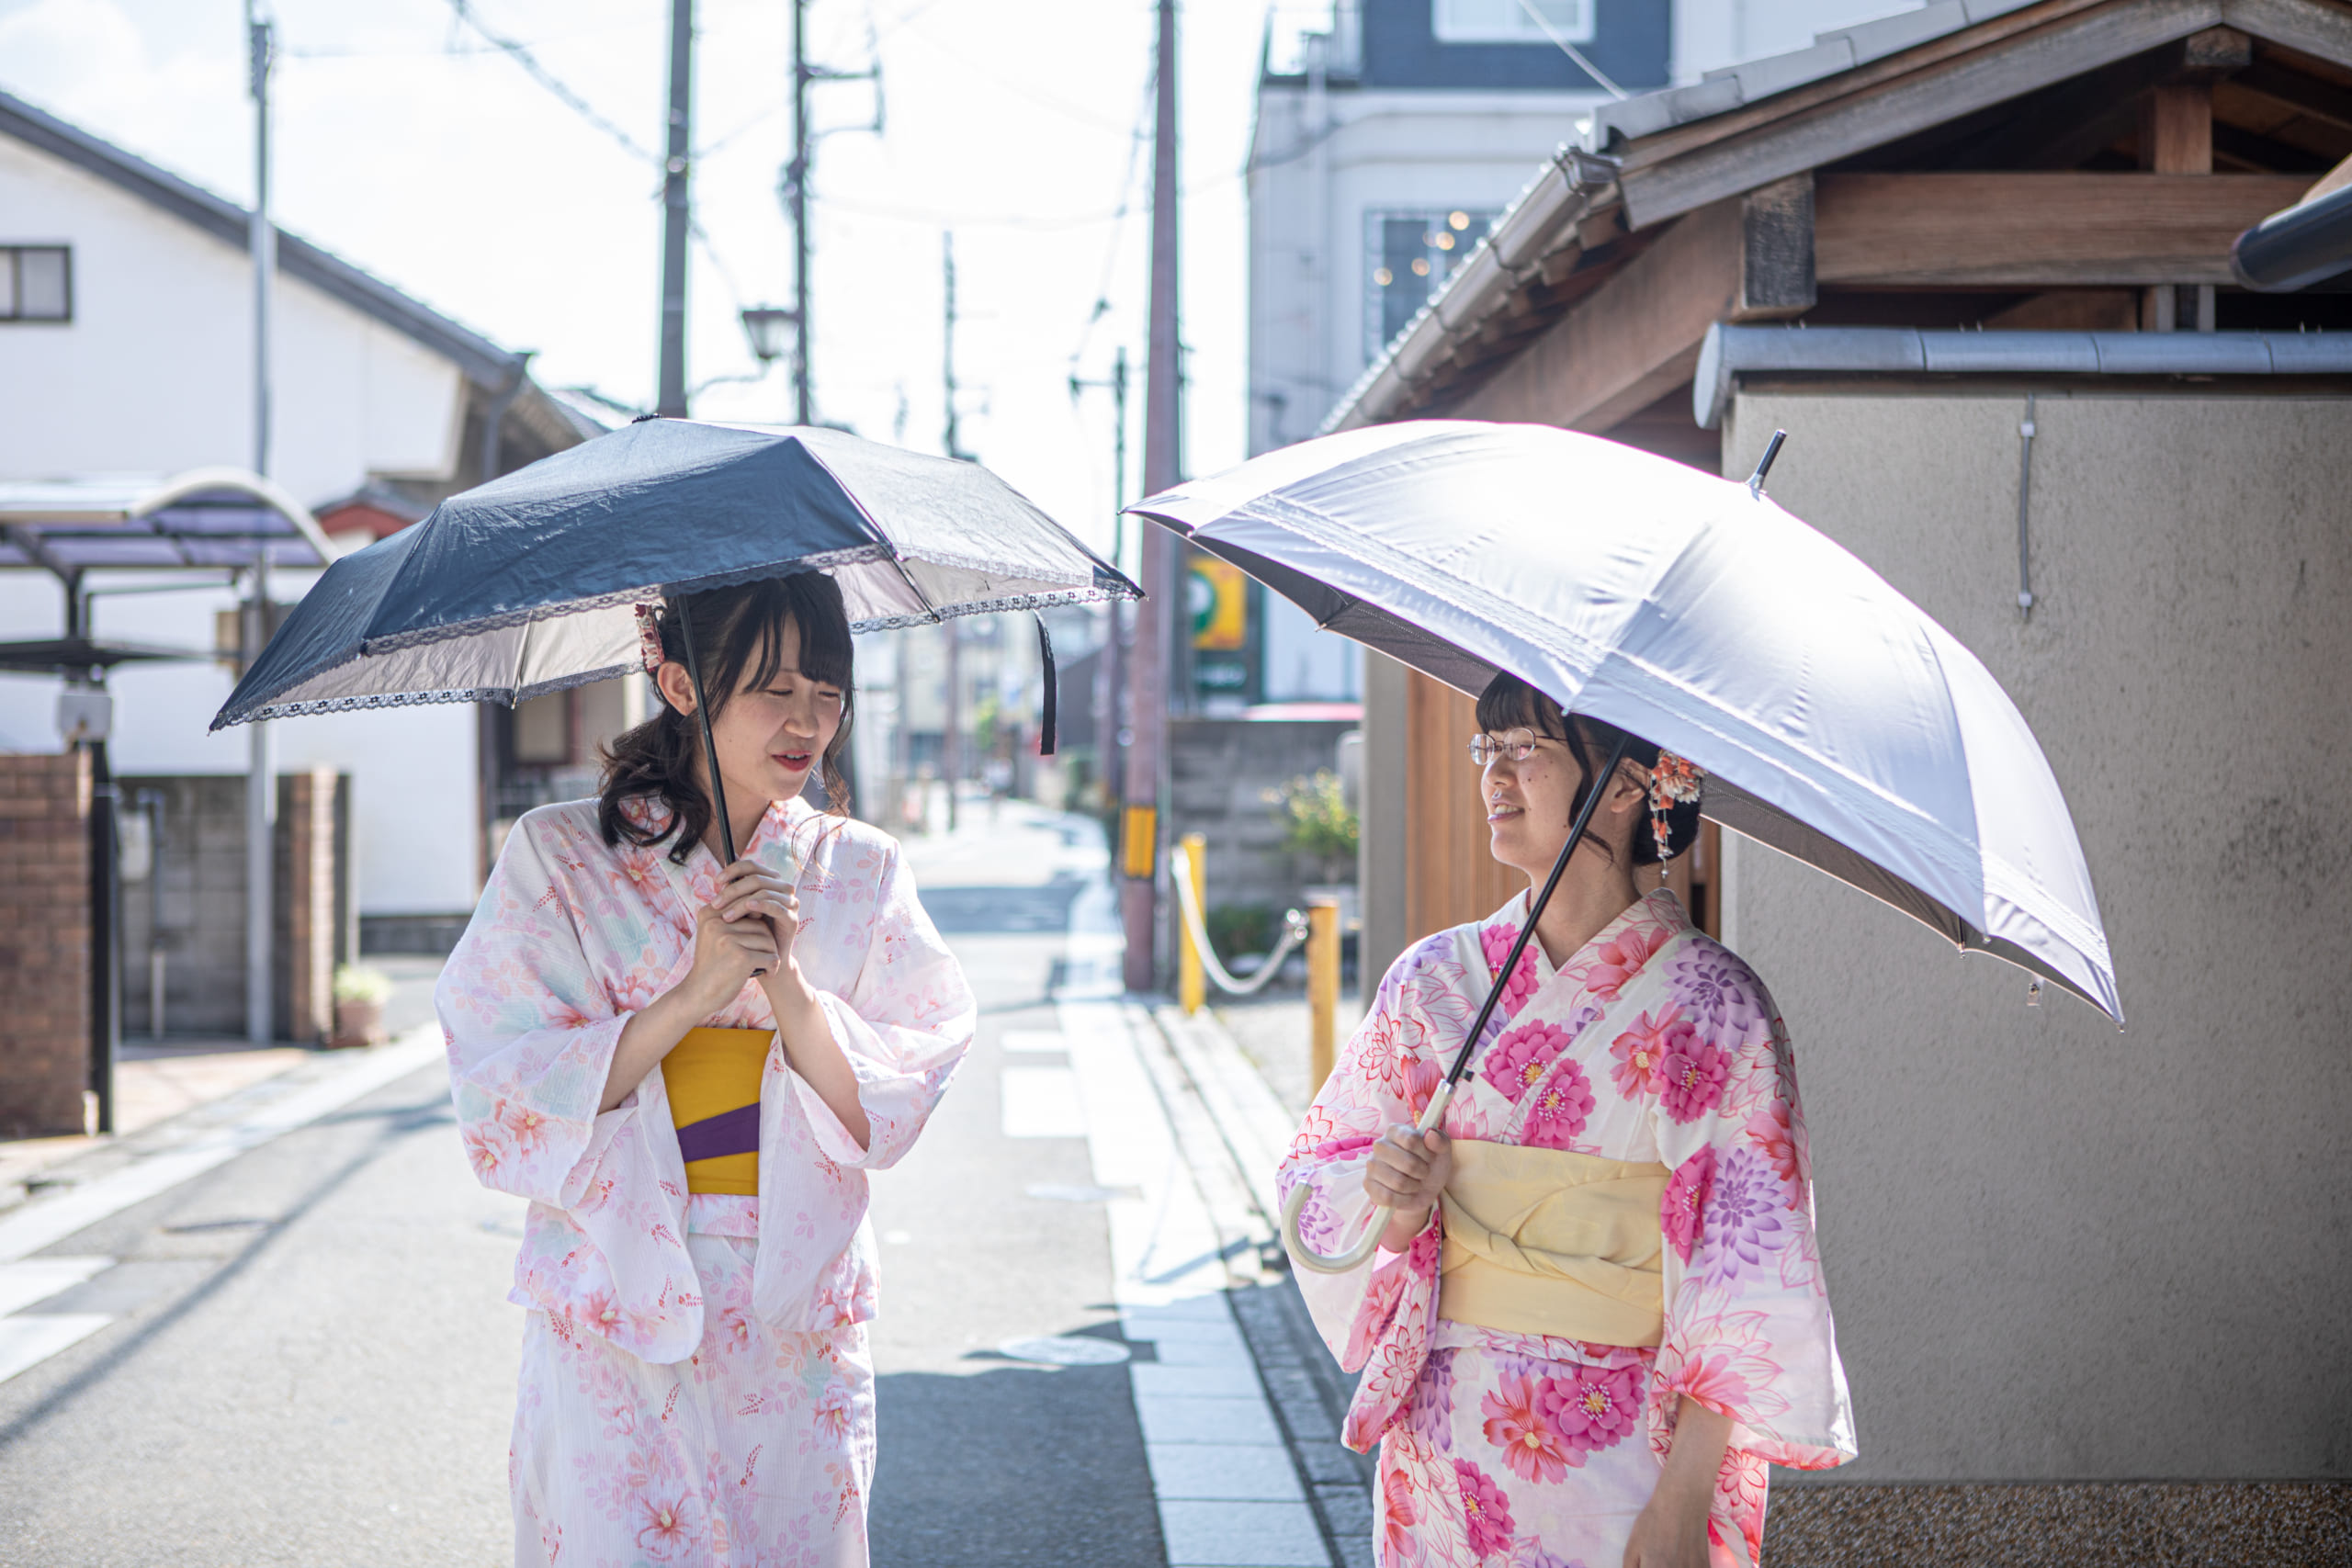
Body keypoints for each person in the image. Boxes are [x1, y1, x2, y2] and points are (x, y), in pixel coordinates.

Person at [435, 573, 974, 1567]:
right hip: (617, 1295)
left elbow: (891, 1099)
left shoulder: (861, 867)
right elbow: (501, 1085)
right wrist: (691, 993)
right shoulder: (557, 857)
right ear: (679, 682)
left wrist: (789, 992)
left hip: (792, 1298)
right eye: (774, 689)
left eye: (827, 690)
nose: (807, 721)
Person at [1277, 672, 1855, 1568]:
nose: (1494, 779)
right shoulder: (1432, 983)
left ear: (1625, 784)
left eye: (1526, 751)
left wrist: (1682, 1503)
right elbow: (1321, 1179)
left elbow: (1746, 1276)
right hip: (1444, 1442)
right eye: (1486, 749)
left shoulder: (1712, 1007)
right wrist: (1396, 1200)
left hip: (1623, 1459)